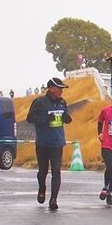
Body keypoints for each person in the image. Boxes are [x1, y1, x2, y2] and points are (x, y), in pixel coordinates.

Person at [25, 77, 73, 211]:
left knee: (56, 171)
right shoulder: (39, 102)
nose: (61, 91)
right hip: (43, 143)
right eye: (59, 88)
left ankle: (53, 199)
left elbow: (67, 119)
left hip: (58, 143)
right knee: (43, 171)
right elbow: (29, 118)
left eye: (62, 89)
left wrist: (67, 118)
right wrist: (46, 118)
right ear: (51, 88)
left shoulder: (62, 102)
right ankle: (42, 188)